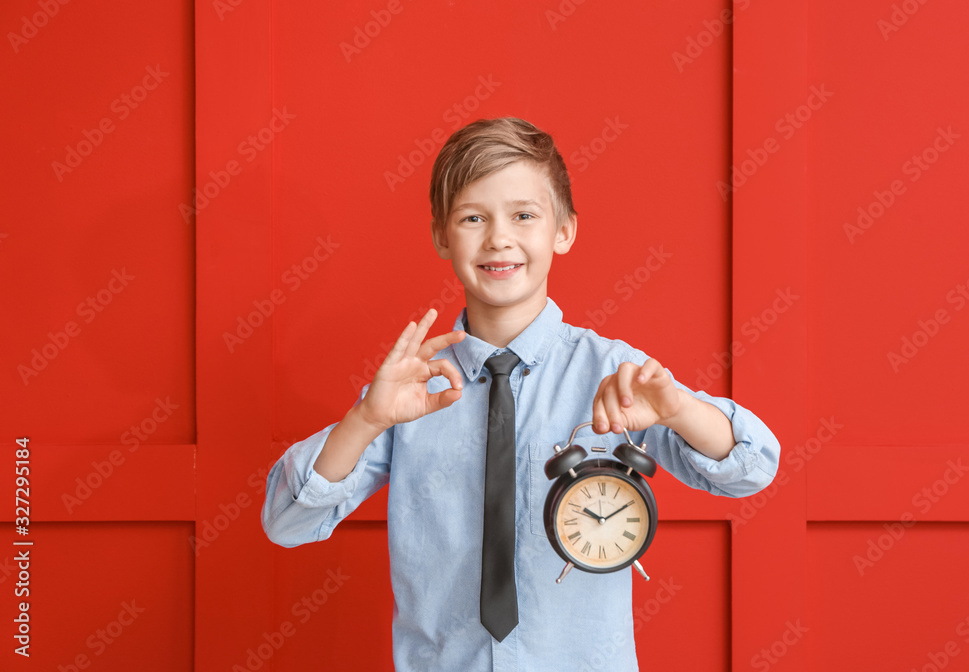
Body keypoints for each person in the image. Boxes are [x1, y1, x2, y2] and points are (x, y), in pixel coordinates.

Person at [261, 117, 780, 671]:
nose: (498, 238)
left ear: (564, 231)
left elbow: (753, 468)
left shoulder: (616, 374)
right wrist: (365, 419)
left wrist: (679, 409)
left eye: (524, 216)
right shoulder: (411, 390)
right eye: (472, 218)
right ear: (441, 235)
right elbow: (285, 522)